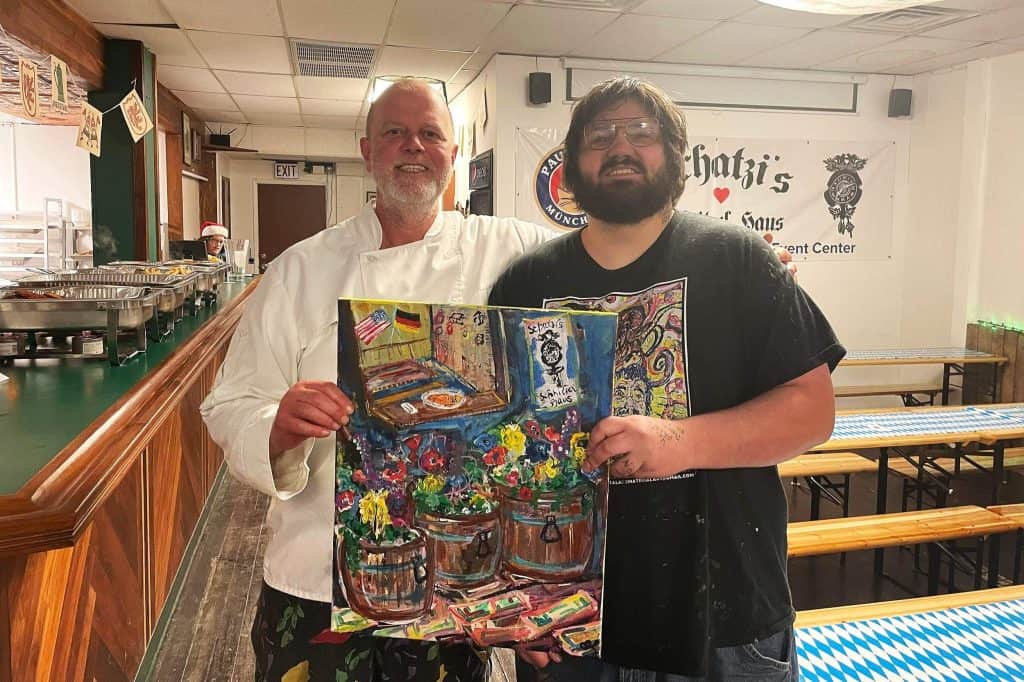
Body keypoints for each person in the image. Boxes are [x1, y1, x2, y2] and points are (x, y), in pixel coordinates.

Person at [200, 78, 799, 682]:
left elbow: (618, 259)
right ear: (367, 150)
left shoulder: (508, 247)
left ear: (453, 155)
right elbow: (230, 401)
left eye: (430, 134)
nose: (413, 146)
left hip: (453, 595)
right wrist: (277, 426)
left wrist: (748, 266)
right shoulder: (299, 269)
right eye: (394, 133)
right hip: (317, 575)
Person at [487, 77, 844, 681]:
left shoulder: (739, 259)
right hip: (568, 618)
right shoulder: (522, 283)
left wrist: (676, 441)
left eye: (642, 132)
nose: (620, 146)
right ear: (569, 167)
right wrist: (514, 601)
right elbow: (496, 449)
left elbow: (813, 411)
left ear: (675, 156)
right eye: (599, 135)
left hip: (725, 620)